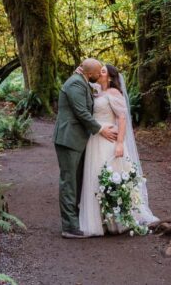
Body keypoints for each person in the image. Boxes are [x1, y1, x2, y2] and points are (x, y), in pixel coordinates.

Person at [78, 64, 158, 235]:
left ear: (110, 77)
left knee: (108, 174)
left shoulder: (114, 93)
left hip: (109, 140)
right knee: (94, 176)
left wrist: (120, 143)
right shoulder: (97, 91)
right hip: (95, 139)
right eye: (99, 70)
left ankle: (118, 219)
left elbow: (122, 118)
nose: (100, 72)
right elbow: (83, 77)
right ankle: (99, 221)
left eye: (104, 71)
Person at [54, 58, 117, 238]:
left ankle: (76, 220)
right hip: (68, 139)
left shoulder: (82, 81)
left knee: (77, 181)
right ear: (89, 73)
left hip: (78, 139)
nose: (99, 76)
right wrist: (100, 129)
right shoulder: (75, 84)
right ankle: (69, 227)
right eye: (97, 73)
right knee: (69, 182)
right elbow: (81, 111)